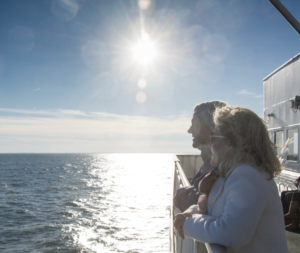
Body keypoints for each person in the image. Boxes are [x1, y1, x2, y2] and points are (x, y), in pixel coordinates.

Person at [174, 106, 288, 253]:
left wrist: (188, 224)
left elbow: (232, 234)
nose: (209, 143)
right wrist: (189, 213)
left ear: (231, 143)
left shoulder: (249, 176)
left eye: (213, 137)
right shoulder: (229, 174)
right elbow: (209, 207)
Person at [173, 101, 227, 212]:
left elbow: (196, 202)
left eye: (196, 125)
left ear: (213, 128)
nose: (189, 130)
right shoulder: (208, 160)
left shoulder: (221, 164)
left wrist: (184, 194)